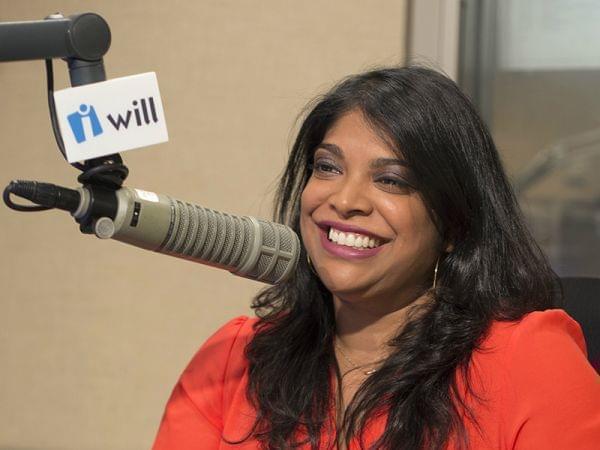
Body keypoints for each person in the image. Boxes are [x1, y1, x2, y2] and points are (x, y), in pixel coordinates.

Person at [152, 66, 600, 450]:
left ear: (454, 225)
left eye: (391, 180)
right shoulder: (233, 359)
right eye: (327, 167)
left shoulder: (531, 364)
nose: (345, 200)